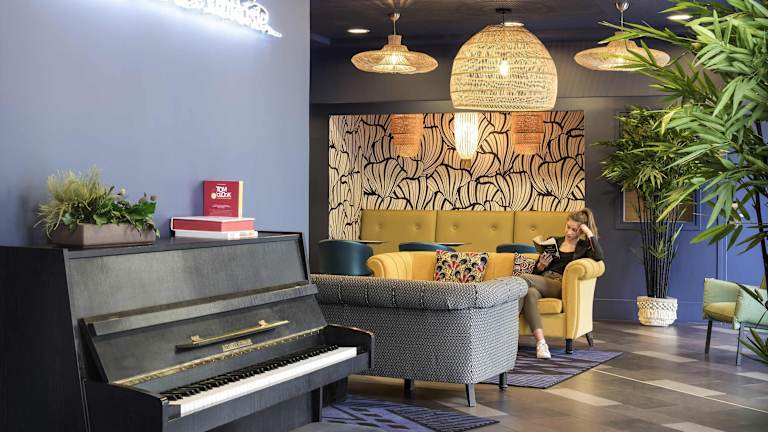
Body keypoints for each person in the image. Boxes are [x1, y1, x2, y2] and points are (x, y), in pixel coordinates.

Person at [519, 208, 604, 359]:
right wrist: (541, 266)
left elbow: (598, 256)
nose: (569, 232)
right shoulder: (554, 241)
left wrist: (589, 232)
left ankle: (503, 326)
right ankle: (541, 344)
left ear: (581, 230)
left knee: (523, 279)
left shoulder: (584, 247)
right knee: (530, 294)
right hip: (543, 281)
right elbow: (536, 274)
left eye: (574, 229)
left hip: (560, 285)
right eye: (568, 227)